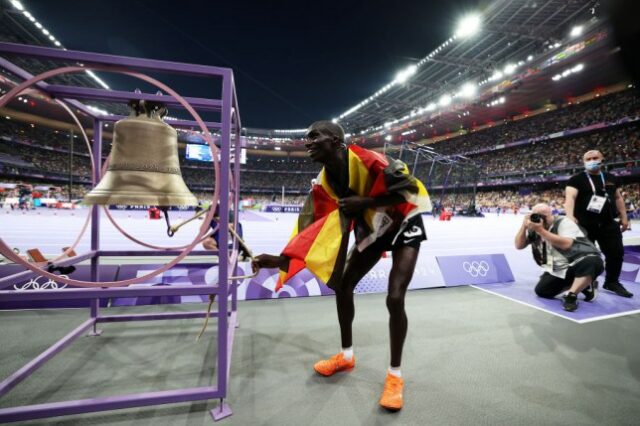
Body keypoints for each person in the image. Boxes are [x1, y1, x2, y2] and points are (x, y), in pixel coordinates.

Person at [251, 121, 431, 411]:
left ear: (335, 140)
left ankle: (395, 376)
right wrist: (278, 260)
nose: (307, 142)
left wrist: (366, 201)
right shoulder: (323, 183)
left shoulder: (370, 159)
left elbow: (412, 191)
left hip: (403, 222)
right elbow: (308, 232)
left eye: (313, 137)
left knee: (395, 296)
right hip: (373, 229)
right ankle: (346, 356)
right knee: (342, 284)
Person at [565, 150, 633, 298]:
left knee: (616, 253)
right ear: (584, 162)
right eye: (588, 159)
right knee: (585, 257)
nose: (592, 160)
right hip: (585, 225)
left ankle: (612, 282)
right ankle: (584, 283)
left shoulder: (610, 178)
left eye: (595, 158)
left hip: (608, 223)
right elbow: (570, 198)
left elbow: (618, 198)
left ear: (602, 159)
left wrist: (624, 217)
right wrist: (570, 216)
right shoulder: (576, 179)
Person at [515, 203, 604, 311]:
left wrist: (540, 230)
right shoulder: (535, 227)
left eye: (543, 216)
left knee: (592, 262)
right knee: (542, 291)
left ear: (550, 215)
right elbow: (519, 246)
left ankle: (571, 295)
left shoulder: (564, 222)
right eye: (536, 215)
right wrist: (524, 226)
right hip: (559, 268)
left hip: (578, 260)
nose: (540, 219)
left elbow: (566, 244)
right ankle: (586, 285)